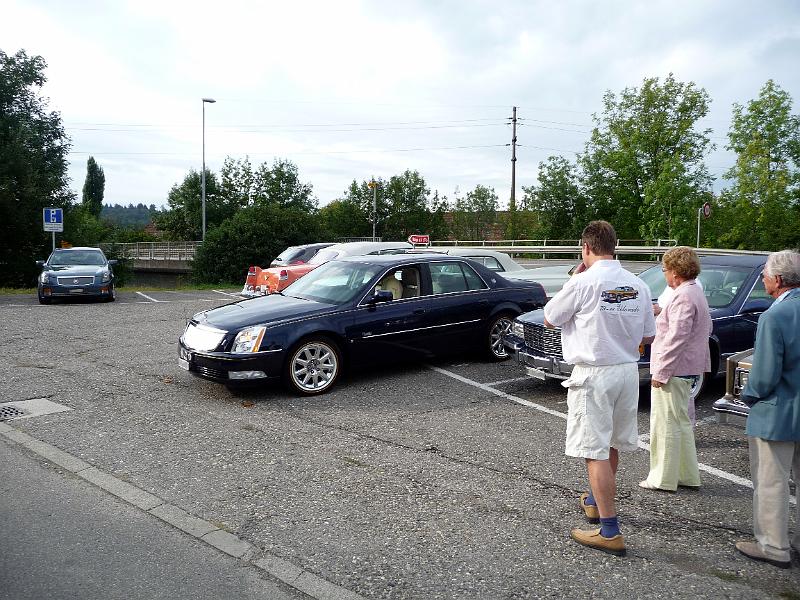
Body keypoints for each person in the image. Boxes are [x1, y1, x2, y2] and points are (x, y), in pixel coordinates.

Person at [544, 220, 656, 556]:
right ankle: (595, 501)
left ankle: (609, 531)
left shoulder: (583, 282)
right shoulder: (638, 284)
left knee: (594, 450)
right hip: (626, 371)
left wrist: (575, 278)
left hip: (594, 373)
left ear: (587, 248)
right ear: (614, 246)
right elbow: (648, 335)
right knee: (612, 443)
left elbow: (550, 317)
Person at [735, 249, 800, 569]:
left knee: (772, 480)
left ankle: (774, 546)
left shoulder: (774, 316)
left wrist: (747, 396)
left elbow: (764, 374)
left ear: (777, 280)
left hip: (777, 411)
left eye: (765, 276)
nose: (763, 280)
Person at [640, 247, 711, 492]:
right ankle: (687, 475)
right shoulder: (695, 292)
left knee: (665, 424)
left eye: (665, 270)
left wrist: (660, 372)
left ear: (676, 272)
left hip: (675, 369)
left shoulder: (682, 296)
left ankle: (662, 478)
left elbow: (676, 338)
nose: (665, 275)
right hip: (687, 368)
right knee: (680, 423)